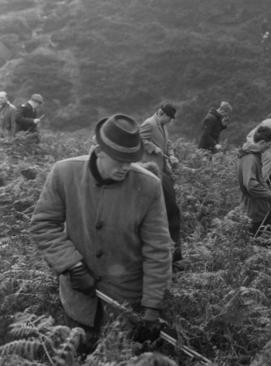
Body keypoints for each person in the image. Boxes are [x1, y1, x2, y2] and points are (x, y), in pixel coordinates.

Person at [30, 114, 172, 341]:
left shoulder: (148, 186)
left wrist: (152, 307)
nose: (126, 166)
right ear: (98, 151)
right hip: (78, 299)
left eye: (131, 159)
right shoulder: (64, 173)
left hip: (124, 300)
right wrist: (72, 265)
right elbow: (44, 224)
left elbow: (158, 248)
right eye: (119, 159)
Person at [139, 103, 183, 267]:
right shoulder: (149, 123)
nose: (170, 121)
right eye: (169, 118)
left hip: (163, 170)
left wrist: (171, 155)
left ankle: (173, 253)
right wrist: (154, 149)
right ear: (161, 113)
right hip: (151, 170)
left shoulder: (162, 125)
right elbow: (140, 140)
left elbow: (168, 143)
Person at [238, 126, 271, 235]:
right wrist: (270, 196)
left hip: (258, 207)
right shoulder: (250, 158)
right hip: (254, 209)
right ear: (262, 142)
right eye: (268, 145)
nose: (268, 149)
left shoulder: (253, 155)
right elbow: (250, 184)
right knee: (263, 240)